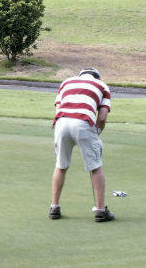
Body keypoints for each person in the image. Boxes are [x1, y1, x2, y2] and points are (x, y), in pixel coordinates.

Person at [49, 67, 114, 222]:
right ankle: (100, 211)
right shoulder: (102, 86)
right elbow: (103, 117)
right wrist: (95, 133)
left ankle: (54, 207)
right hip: (83, 122)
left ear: (80, 75)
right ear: (97, 77)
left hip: (61, 122)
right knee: (95, 167)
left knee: (61, 166)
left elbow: (58, 108)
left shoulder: (66, 82)